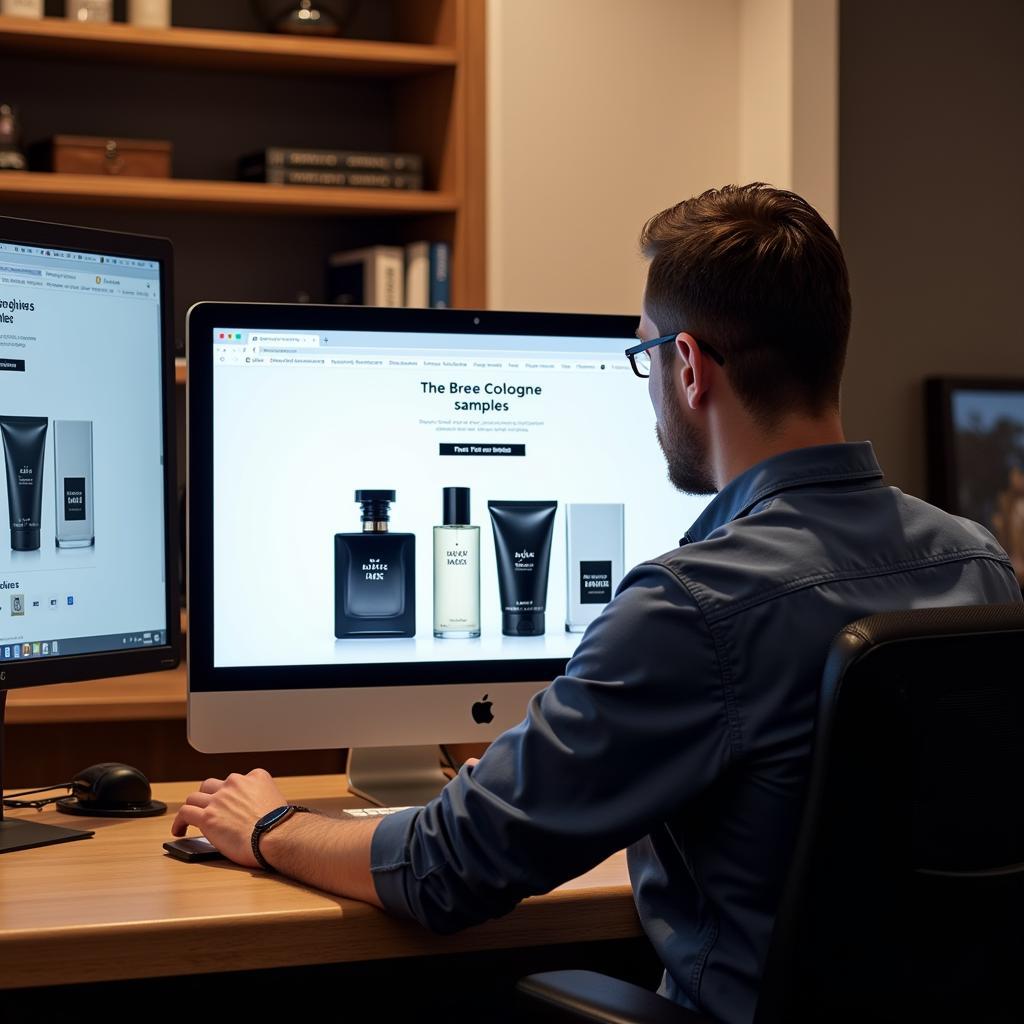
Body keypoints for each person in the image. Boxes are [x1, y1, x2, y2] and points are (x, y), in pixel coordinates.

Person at [172, 184, 1021, 1024]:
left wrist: (272, 824)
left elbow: (449, 870)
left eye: (642, 355)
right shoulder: (978, 563)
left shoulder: (691, 604)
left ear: (687, 367)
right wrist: (569, 782)